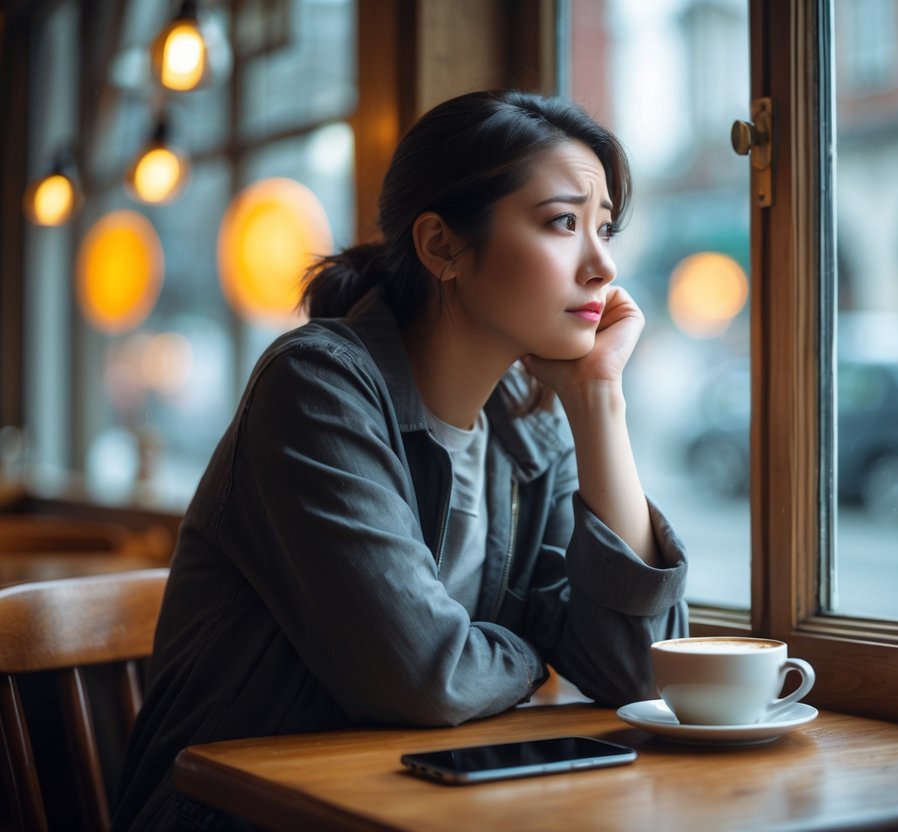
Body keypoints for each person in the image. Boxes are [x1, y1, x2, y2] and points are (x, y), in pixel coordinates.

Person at [112, 89, 689, 830]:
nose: (602, 266)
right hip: (232, 815)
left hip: (418, 806)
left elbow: (642, 668)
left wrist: (598, 400)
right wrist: (535, 654)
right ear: (441, 246)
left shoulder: (525, 430)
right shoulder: (318, 386)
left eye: (604, 227)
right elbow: (424, 676)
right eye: (562, 223)